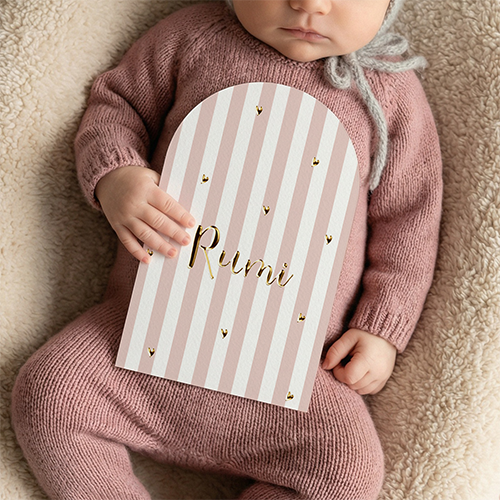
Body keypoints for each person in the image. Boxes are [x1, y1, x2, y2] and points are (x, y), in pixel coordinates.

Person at [11, 0, 442, 498]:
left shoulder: (387, 89)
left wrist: (380, 327)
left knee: (349, 474)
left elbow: (410, 217)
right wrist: (116, 174)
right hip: (140, 337)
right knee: (49, 396)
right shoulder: (195, 37)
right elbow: (118, 104)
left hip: (293, 375)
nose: (309, 4)